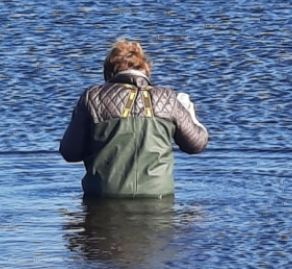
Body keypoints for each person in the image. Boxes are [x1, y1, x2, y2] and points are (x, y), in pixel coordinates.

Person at [59, 39, 209, 197]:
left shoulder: (92, 97)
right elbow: (196, 145)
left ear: (108, 71)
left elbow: (70, 152)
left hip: (104, 196)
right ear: (145, 68)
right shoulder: (167, 98)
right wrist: (191, 115)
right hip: (157, 195)